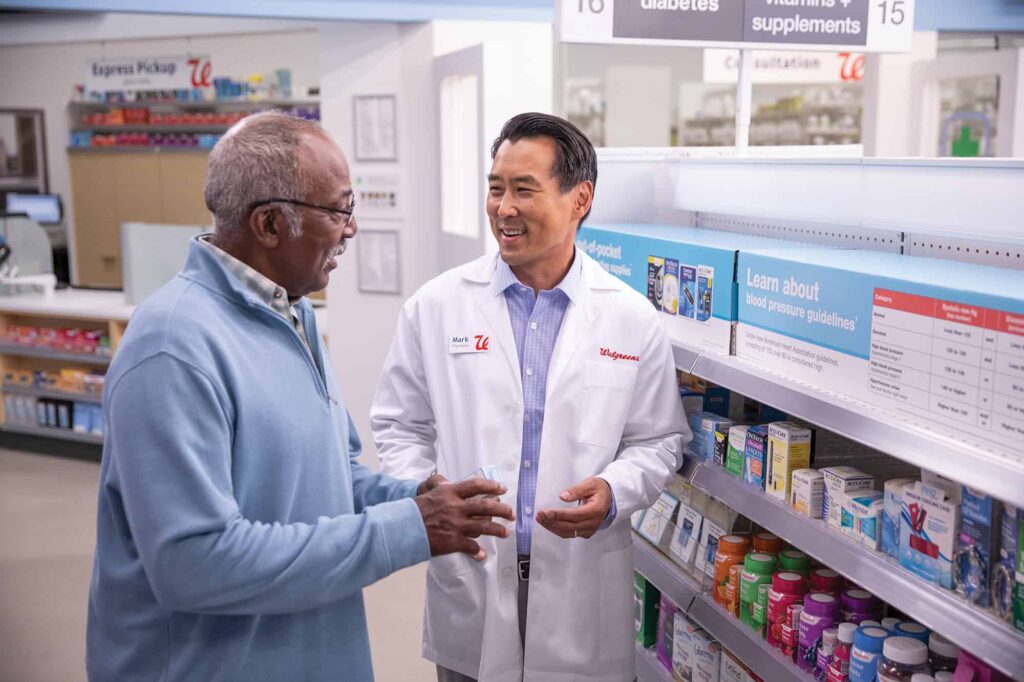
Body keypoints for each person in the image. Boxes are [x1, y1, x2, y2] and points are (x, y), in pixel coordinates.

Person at [86, 111, 513, 682]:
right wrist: (408, 527)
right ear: (268, 224)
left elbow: (327, 477)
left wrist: (413, 495)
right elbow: (193, 563)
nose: (352, 229)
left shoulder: (293, 313)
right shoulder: (172, 348)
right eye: (340, 210)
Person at [371, 112, 690, 681]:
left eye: (524, 189)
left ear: (579, 199)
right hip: (472, 573)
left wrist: (614, 491)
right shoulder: (436, 306)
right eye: (495, 189)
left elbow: (659, 439)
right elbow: (399, 426)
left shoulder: (630, 317)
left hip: (579, 582)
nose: (503, 208)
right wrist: (429, 494)